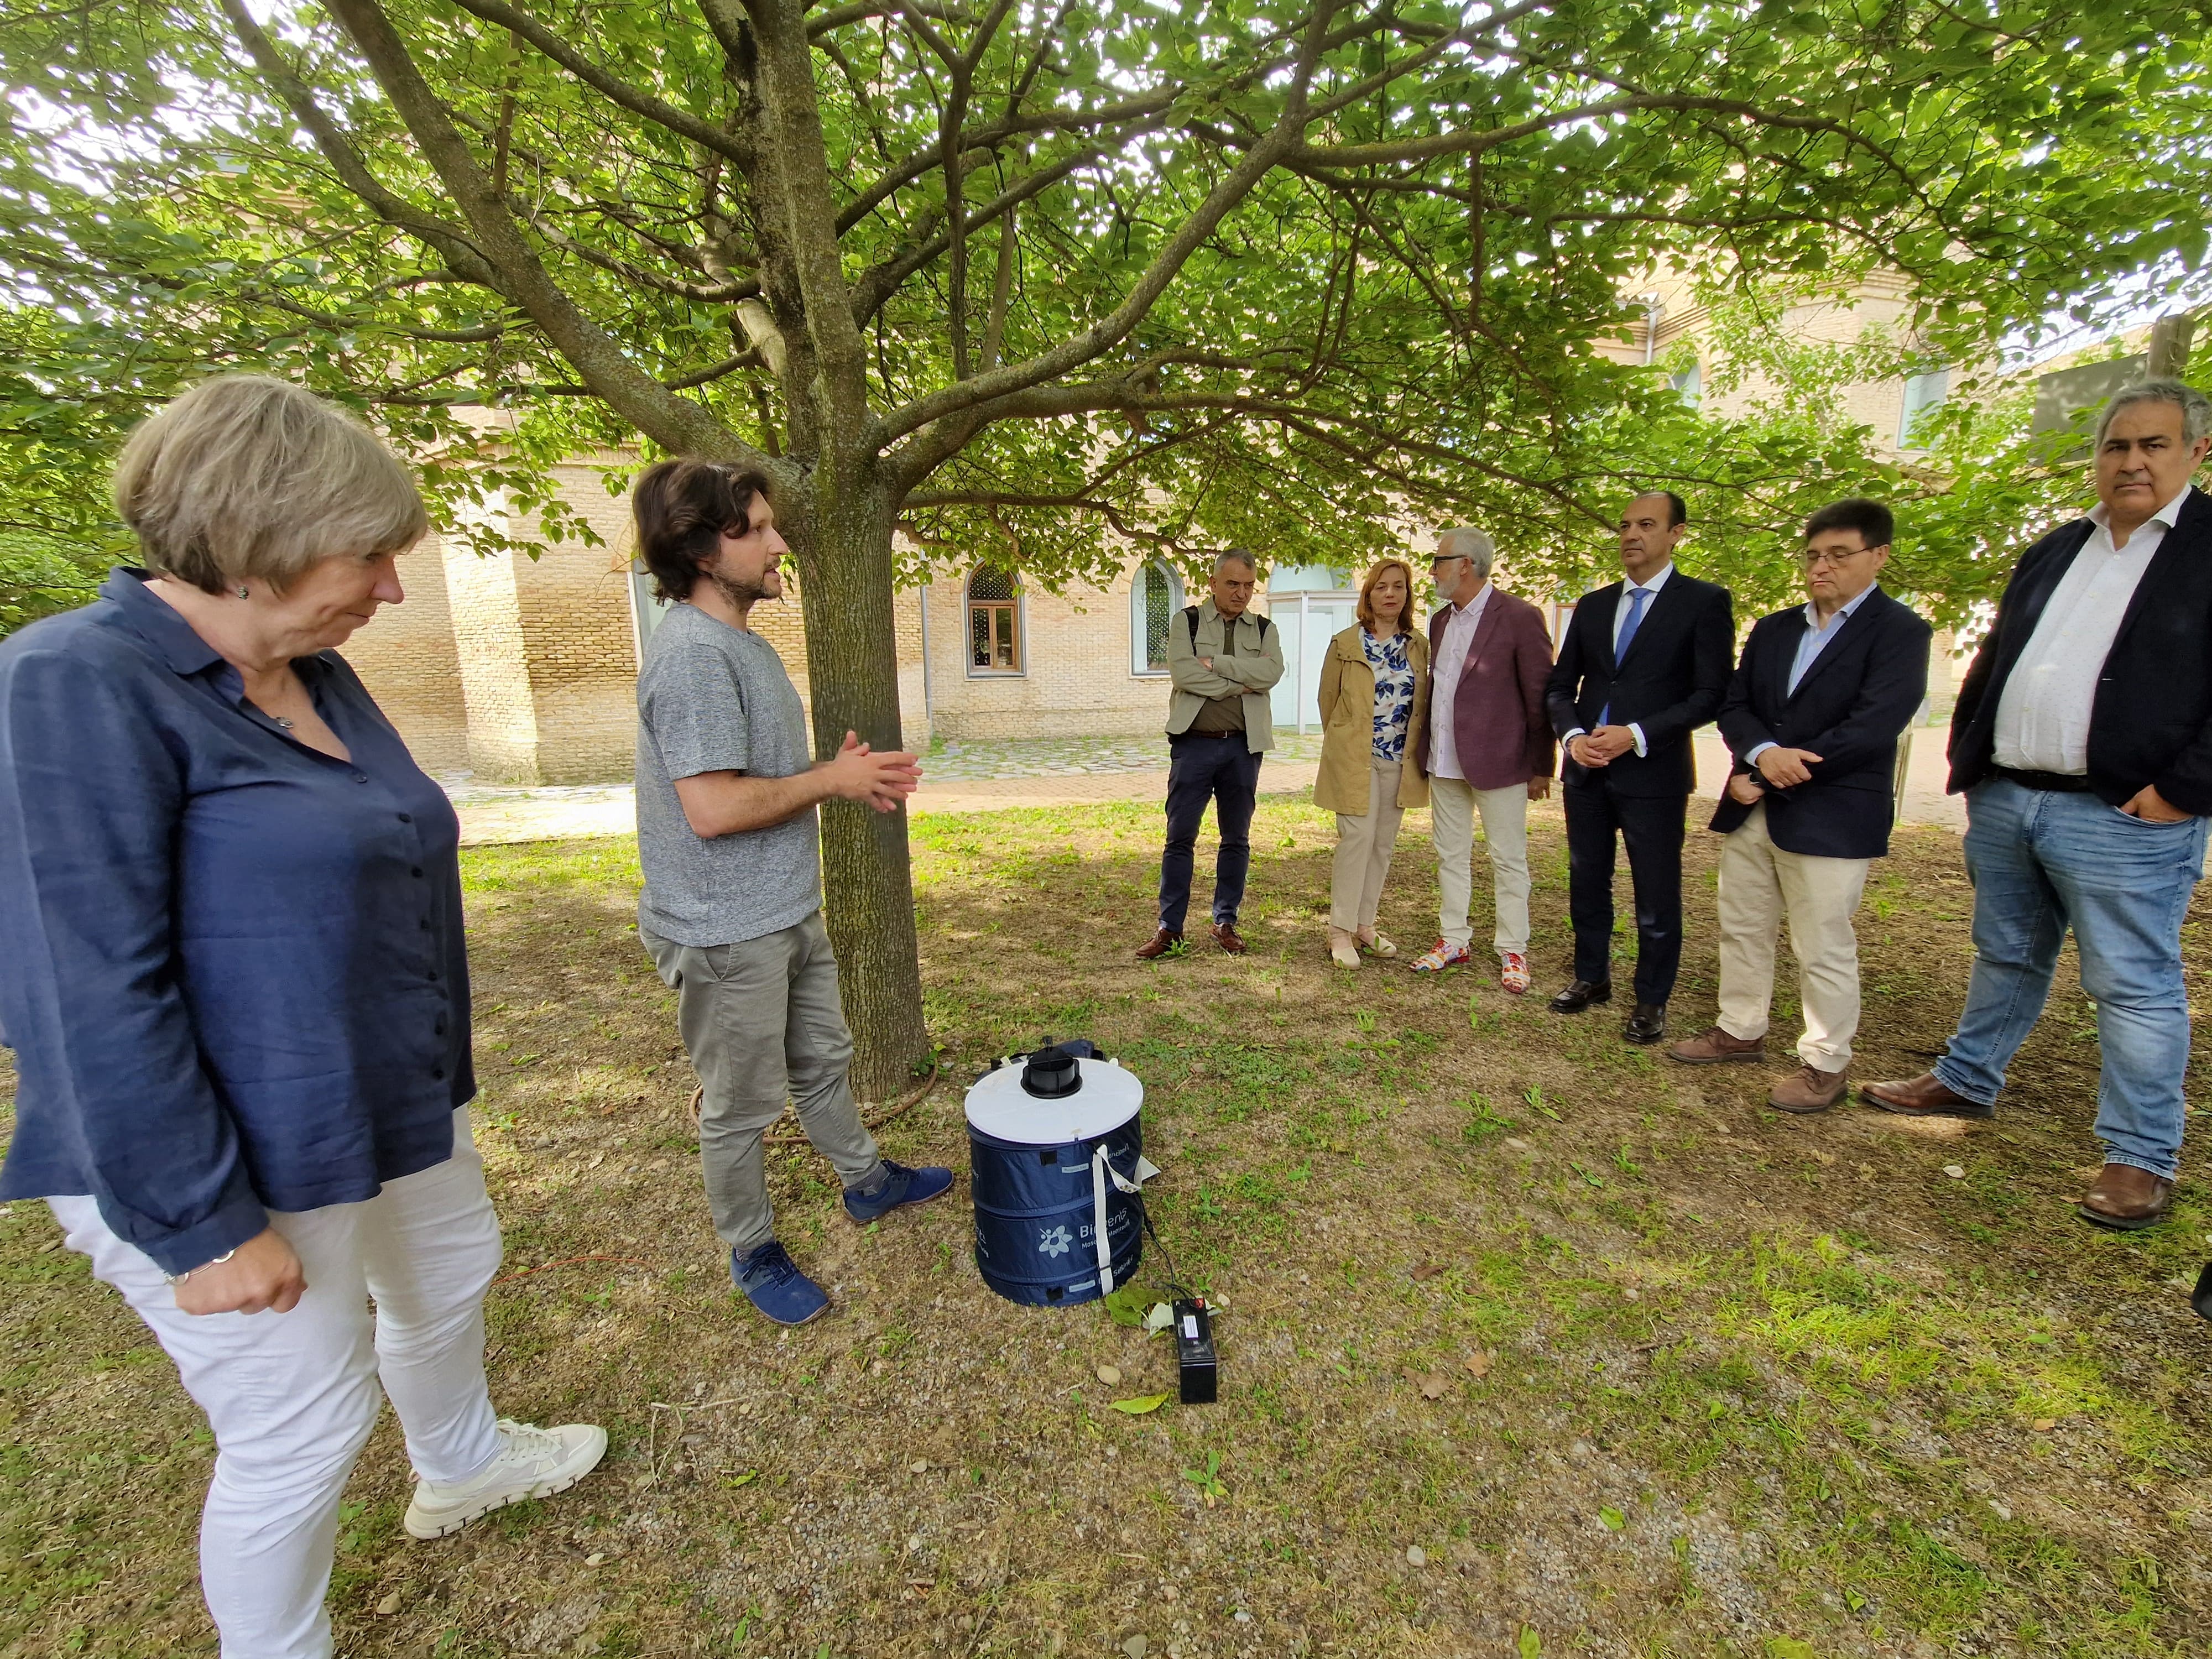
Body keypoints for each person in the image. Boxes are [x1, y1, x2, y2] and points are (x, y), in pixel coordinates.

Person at [0, 375, 606, 1659]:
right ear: (260, 535)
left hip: (384, 1100)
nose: (391, 588)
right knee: (299, 1423)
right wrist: (203, 1221)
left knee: (447, 1274)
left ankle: (463, 1461)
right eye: (370, 553)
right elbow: (79, 979)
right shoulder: (72, 679)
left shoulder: (316, 672)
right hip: (237, 1149)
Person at [1862, 379, 2212, 1229]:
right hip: (2014, 795)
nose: (2131, 461)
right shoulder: (2059, 547)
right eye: (2116, 446)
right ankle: (1969, 1077)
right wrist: (1974, 759)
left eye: (2153, 445)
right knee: (2006, 951)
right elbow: (1997, 658)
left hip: (2125, 814)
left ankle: (2139, 1157)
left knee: (2131, 984)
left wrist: (2182, 791)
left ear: (2196, 452)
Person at [630, 461, 953, 1325]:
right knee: (740, 1106)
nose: (779, 544)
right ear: (700, 548)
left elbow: (756, 777)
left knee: (823, 1059)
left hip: (781, 908)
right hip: (724, 928)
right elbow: (710, 808)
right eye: (757, 530)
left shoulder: (743, 643)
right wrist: (829, 781)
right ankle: (753, 1247)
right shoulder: (695, 656)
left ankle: (865, 1181)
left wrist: (830, 772)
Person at [1667, 499, 1932, 1111]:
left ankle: (1824, 1062)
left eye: (1839, 555)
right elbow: (1735, 705)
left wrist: (1781, 768)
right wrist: (1760, 753)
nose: (1821, 567)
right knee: (1741, 924)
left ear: (1878, 555)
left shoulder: (1900, 633)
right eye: (1813, 555)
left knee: (1822, 942)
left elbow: (1873, 726)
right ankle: (1739, 1030)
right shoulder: (1776, 628)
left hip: (1833, 811)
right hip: (1753, 803)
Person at [1545, 493, 1734, 1042]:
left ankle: (1651, 999)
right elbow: (1561, 686)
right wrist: (1574, 736)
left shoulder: (1703, 603)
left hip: (1653, 774)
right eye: (1625, 525)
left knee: (1655, 890)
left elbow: (1710, 694)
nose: (1631, 535)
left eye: (1646, 525)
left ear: (1676, 533)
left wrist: (1636, 734)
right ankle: (1590, 977)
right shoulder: (1594, 605)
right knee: (1587, 878)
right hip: (1585, 770)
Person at [1408, 528, 1556, 992]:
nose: (1432, 571)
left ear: (1466, 564)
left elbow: (1539, 697)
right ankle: (1454, 938)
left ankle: (1513, 947)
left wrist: (1540, 767)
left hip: (1502, 762)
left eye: (1438, 560)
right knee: (1450, 855)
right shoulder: (1439, 621)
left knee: (1508, 858)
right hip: (1444, 760)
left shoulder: (1519, 617)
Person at [1136, 550, 1286, 957]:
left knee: (1236, 838)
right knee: (1179, 838)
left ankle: (1226, 921)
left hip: (1243, 745)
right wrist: (1241, 682)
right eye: (1233, 584)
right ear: (1213, 582)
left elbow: (1272, 674)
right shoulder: (1186, 621)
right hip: (1194, 744)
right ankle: (1170, 928)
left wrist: (1216, 666)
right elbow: (1184, 673)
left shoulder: (1266, 628)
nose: (1241, 593)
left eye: (1249, 586)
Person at [1315, 557, 1431, 967]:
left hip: (1399, 763)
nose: (1390, 594)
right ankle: (1339, 932)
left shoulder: (1418, 644)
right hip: (1355, 762)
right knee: (1356, 842)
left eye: (1398, 587)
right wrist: (1349, 742)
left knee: (1382, 846)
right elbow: (1327, 703)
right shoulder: (1345, 644)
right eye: (1381, 587)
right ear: (1368, 594)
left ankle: (1365, 925)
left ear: (1407, 594)